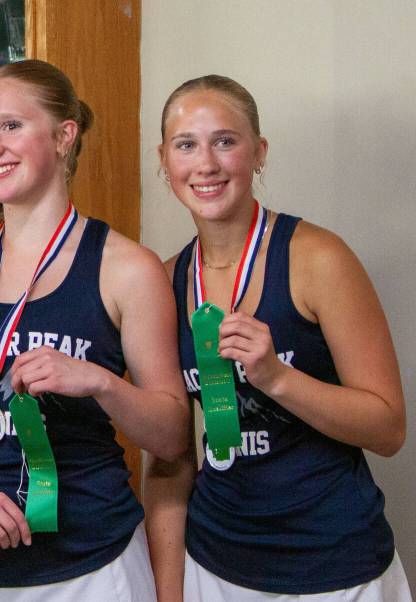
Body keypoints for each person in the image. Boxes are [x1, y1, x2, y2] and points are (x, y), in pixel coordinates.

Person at [0, 59, 189, 600]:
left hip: (91, 563)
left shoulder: (126, 268)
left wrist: (101, 383)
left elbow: (173, 437)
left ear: (63, 136)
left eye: (11, 125)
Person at [144, 75, 411, 601]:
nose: (206, 164)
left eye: (226, 141)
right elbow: (169, 458)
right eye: (186, 145)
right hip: (214, 564)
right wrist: (170, 590)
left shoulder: (318, 259)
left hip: (335, 566)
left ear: (259, 152)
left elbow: (388, 428)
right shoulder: (165, 280)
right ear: (165, 160)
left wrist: (277, 377)